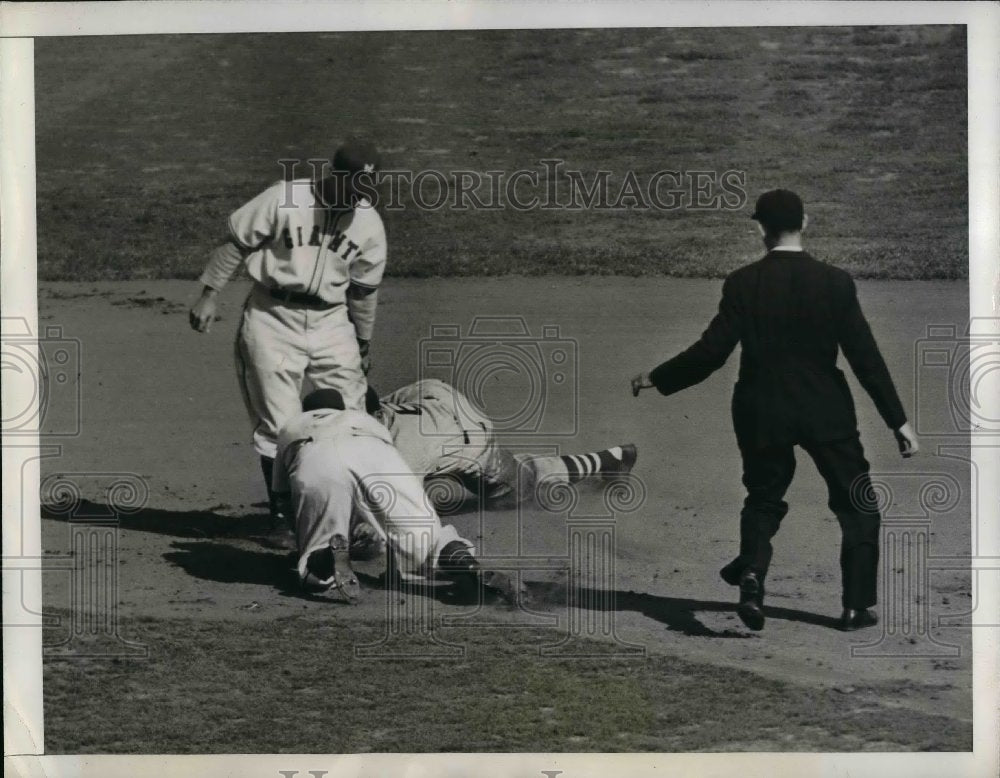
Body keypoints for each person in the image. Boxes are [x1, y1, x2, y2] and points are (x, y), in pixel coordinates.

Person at [630, 189, 918, 632]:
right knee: (858, 505)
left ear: (760, 229)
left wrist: (658, 377)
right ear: (806, 222)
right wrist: (897, 420)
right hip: (826, 411)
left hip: (760, 410)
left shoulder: (743, 282)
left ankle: (751, 575)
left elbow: (712, 352)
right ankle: (856, 607)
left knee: (763, 499)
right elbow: (866, 358)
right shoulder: (836, 282)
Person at [188, 139, 387, 531]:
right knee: (279, 424)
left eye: (363, 194)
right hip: (271, 317)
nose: (355, 201)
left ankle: (351, 511)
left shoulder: (368, 222)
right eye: (350, 191)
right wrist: (209, 296)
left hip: (332, 322)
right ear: (335, 176)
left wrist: (363, 342)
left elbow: (363, 291)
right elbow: (237, 245)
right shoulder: (286, 198)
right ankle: (282, 514)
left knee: (352, 417)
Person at [271, 388, 511, 603]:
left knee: (314, 570)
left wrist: (304, 534)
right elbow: (387, 510)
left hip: (318, 461)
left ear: (307, 411)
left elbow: (282, 497)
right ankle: (468, 567)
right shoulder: (363, 420)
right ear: (340, 408)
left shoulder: (292, 426)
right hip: (377, 453)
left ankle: (326, 555)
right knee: (430, 538)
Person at [369, 378, 637, 509]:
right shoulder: (371, 411)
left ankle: (611, 458)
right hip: (430, 393)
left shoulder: (408, 449)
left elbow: (398, 519)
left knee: (521, 482)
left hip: (469, 435)